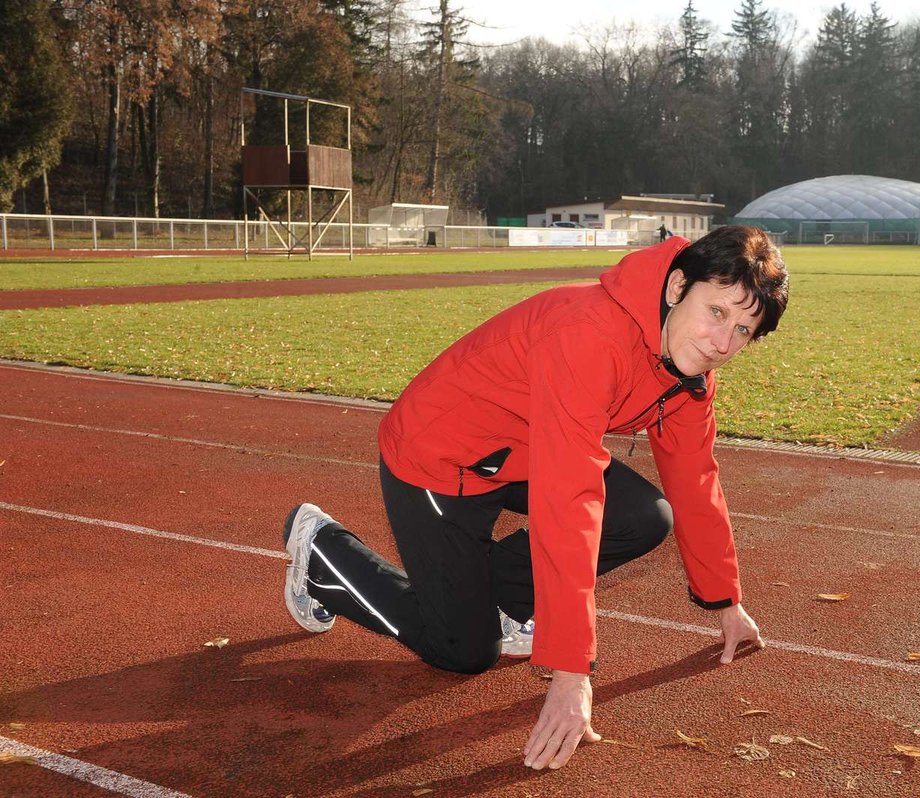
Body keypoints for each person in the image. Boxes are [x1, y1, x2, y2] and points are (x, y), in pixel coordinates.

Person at [281, 225, 789, 771]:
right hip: (440, 455)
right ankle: (324, 555)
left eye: (742, 330)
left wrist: (724, 600)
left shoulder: (686, 371)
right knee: (465, 652)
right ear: (676, 289)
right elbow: (568, 498)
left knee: (645, 517)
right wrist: (572, 672)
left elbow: (694, 479)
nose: (723, 343)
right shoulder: (589, 333)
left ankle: (487, 598)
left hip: (522, 448)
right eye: (717, 313)